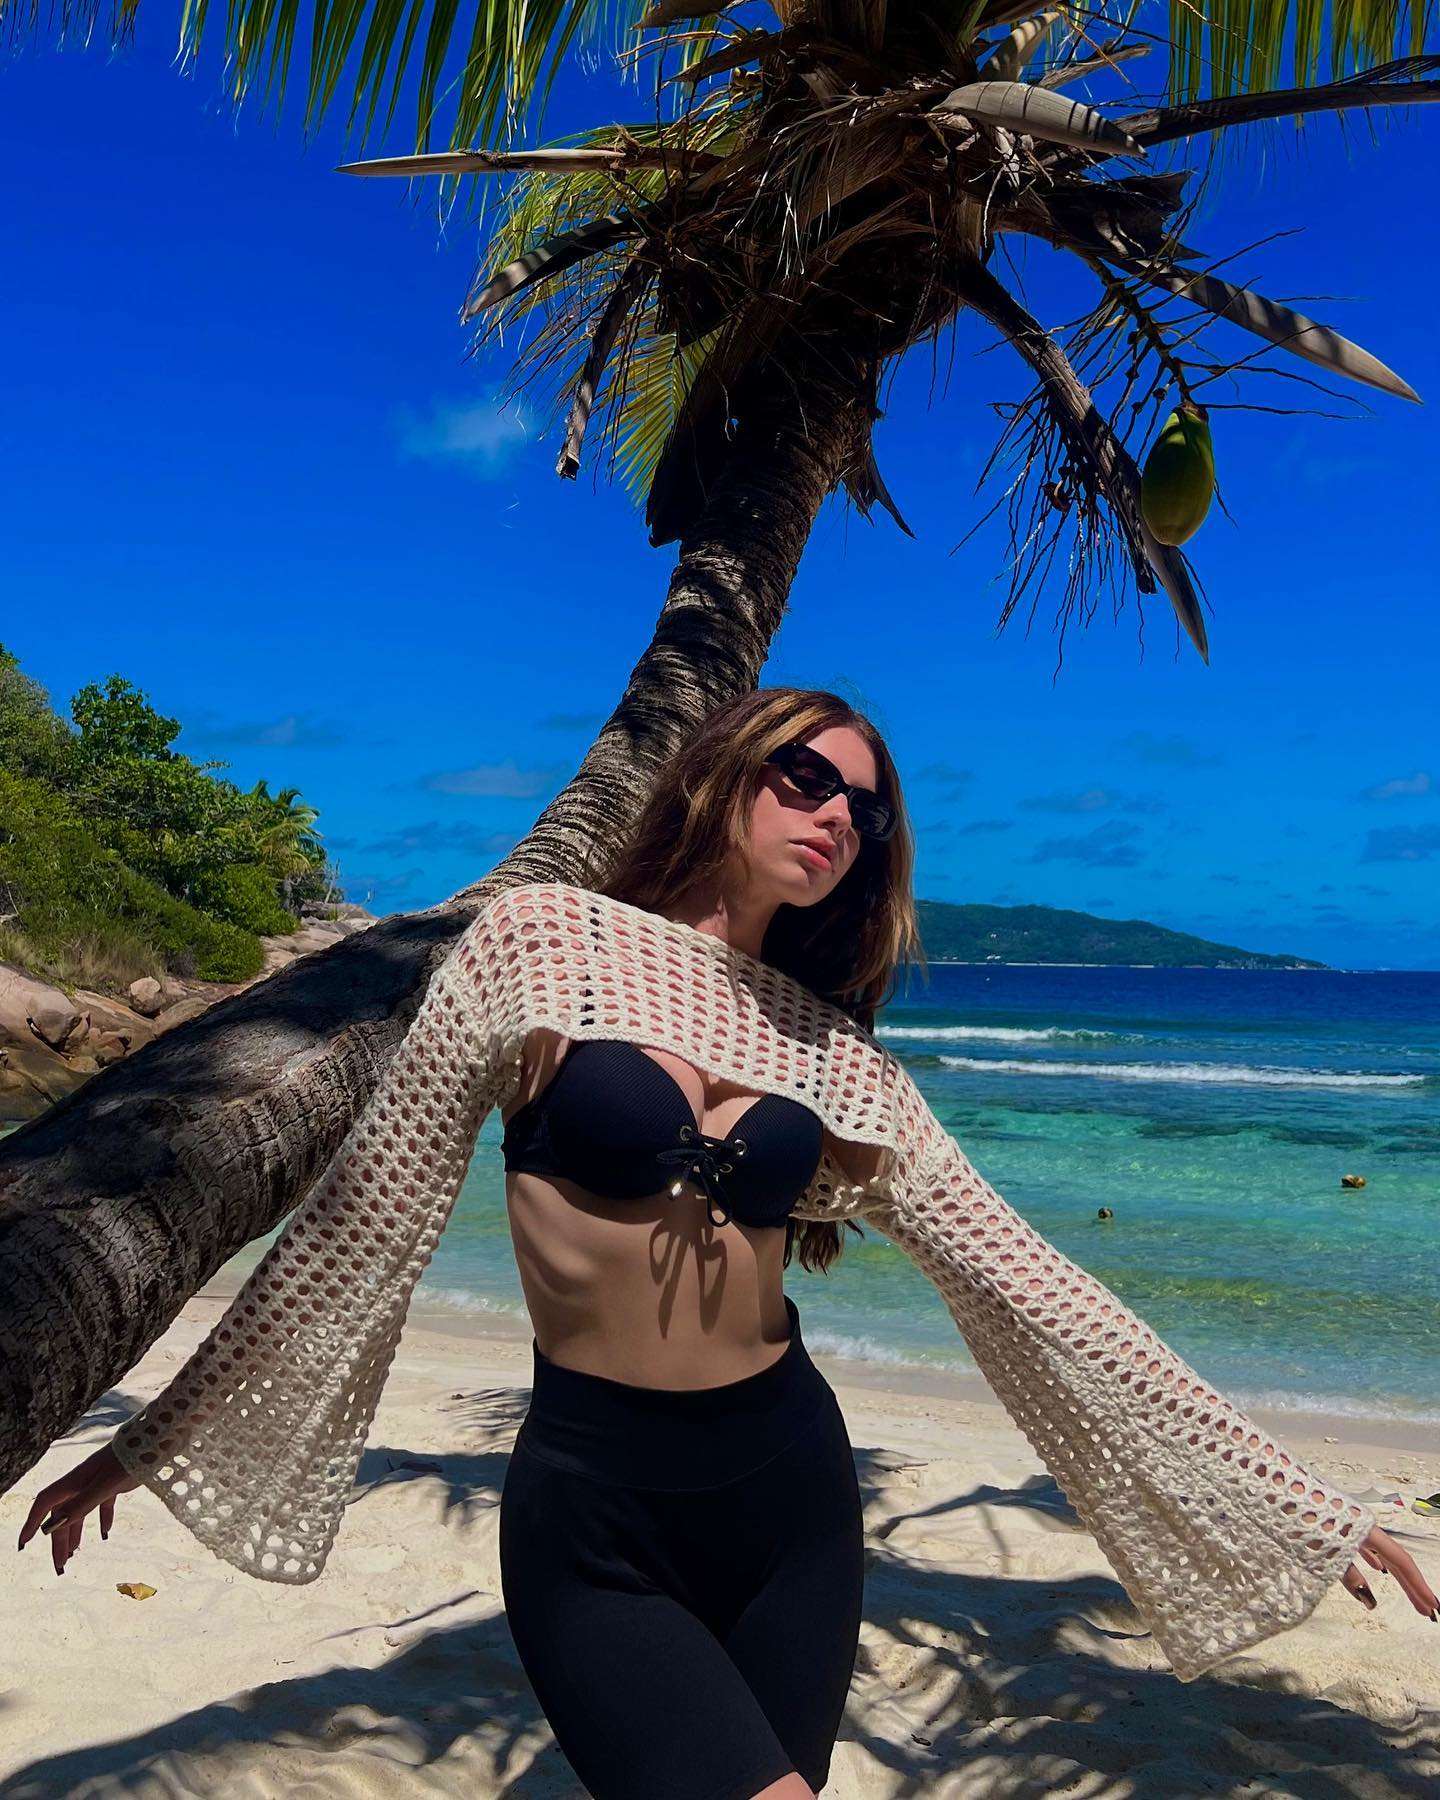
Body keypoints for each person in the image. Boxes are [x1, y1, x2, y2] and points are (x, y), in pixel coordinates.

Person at [19, 688, 1437, 1800]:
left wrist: (1298, 1500)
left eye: (865, 810)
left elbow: (1032, 1288)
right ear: (723, 775)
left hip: (789, 1500)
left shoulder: (836, 1055)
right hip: (595, 1510)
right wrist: (157, 1437)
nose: (835, 817)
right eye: (804, 778)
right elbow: (361, 1228)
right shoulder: (542, 943)